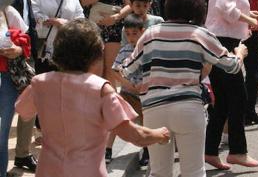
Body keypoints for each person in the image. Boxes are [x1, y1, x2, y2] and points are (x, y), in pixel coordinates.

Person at [15, 19, 169, 177]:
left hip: (48, 171)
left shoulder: (39, 83)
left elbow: (23, 111)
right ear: (94, 54)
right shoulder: (100, 89)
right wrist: (160, 134)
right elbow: (135, 136)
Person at [122, 0, 245, 176]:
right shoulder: (200, 34)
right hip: (188, 107)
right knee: (194, 171)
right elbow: (232, 66)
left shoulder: (150, 33)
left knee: (159, 172)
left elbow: (127, 70)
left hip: (154, 108)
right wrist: (240, 54)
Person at [203, 0, 258, 170]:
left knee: (225, 102)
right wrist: (248, 18)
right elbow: (224, 8)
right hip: (224, 43)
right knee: (238, 98)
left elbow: (227, 10)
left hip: (224, 41)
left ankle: (210, 150)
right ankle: (237, 151)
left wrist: (248, 17)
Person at [29, 0, 85, 75]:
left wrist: (66, 24)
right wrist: (53, 21)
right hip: (43, 50)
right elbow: (33, 15)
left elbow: (81, 19)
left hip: (67, 51)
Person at [112, 14, 151, 168]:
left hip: (144, 93)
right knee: (116, 118)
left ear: (143, 31)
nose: (131, 37)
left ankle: (147, 151)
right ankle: (108, 149)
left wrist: (143, 83)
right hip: (128, 93)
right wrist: (127, 84)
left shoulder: (148, 49)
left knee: (145, 123)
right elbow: (115, 70)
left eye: (135, 34)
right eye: (128, 34)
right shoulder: (124, 50)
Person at [0, 4, 29, 177]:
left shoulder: (7, 10)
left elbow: (26, 40)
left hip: (6, 80)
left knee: (2, 138)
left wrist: (18, 49)